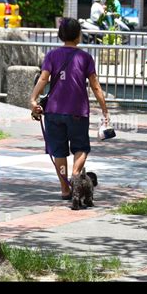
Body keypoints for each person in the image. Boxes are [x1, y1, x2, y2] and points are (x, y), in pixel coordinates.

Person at [30, 18, 109, 201]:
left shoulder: (52, 55)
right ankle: (75, 177)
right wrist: (105, 110)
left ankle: (65, 190)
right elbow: (96, 87)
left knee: (59, 151)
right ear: (78, 35)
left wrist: (33, 99)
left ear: (60, 35)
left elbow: (43, 80)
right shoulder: (85, 58)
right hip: (77, 112)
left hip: (54, 112)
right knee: (81, 147)